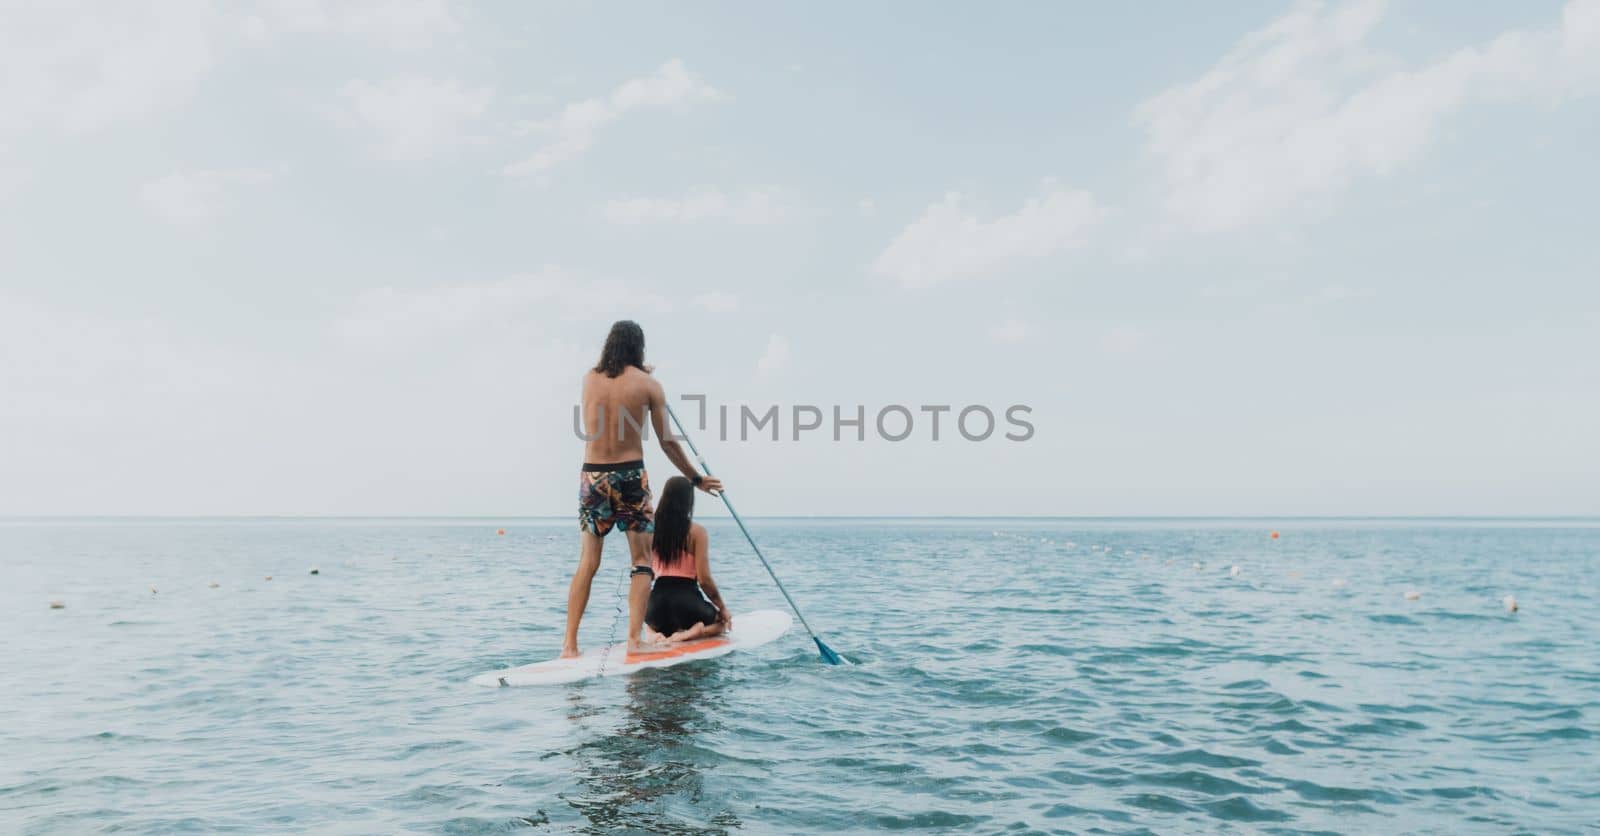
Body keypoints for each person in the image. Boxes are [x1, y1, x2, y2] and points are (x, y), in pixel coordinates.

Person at [563, 320, 722, 658]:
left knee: (588, 562)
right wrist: (696, 479)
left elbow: (613, 387)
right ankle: (634, 641)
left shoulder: (588, 379)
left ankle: (569, 646)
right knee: (641, 562)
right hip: (629, 476)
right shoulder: (650, 385)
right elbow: (667, 443)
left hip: (591, 475)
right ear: (639, 348)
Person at [643, 476, 731, 643]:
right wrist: (722, 607)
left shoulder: (650, 530)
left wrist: (645, 609)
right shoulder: (697, 532)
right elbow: (704, 579)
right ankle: (690, 634)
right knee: (721, 623)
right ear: (689, 500)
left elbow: (645, 575)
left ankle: (653, 634)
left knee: (652, 621)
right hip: (687, 601)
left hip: (656, 603)